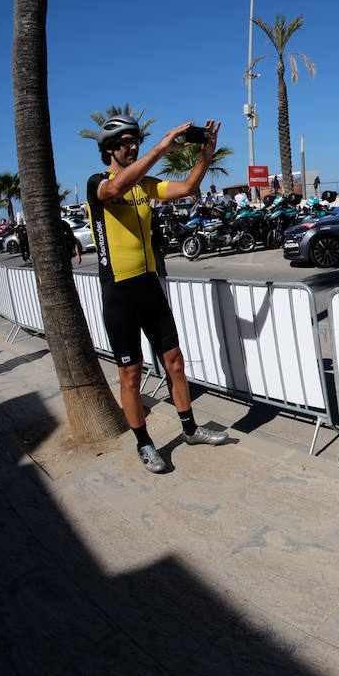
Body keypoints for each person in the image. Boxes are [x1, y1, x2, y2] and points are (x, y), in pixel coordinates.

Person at [88, 113, 230, 473]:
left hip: (149, 285)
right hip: (119, 291)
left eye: (135, 140)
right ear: (109, 149)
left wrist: (205, 157)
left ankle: (190, 429)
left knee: (175, 361)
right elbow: (115, 190)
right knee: (131, 375)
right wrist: (161, 146)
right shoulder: (97, 184)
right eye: (124, 142)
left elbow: (187, 189)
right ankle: (144, 443)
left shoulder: (145, 184)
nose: (132, 146)